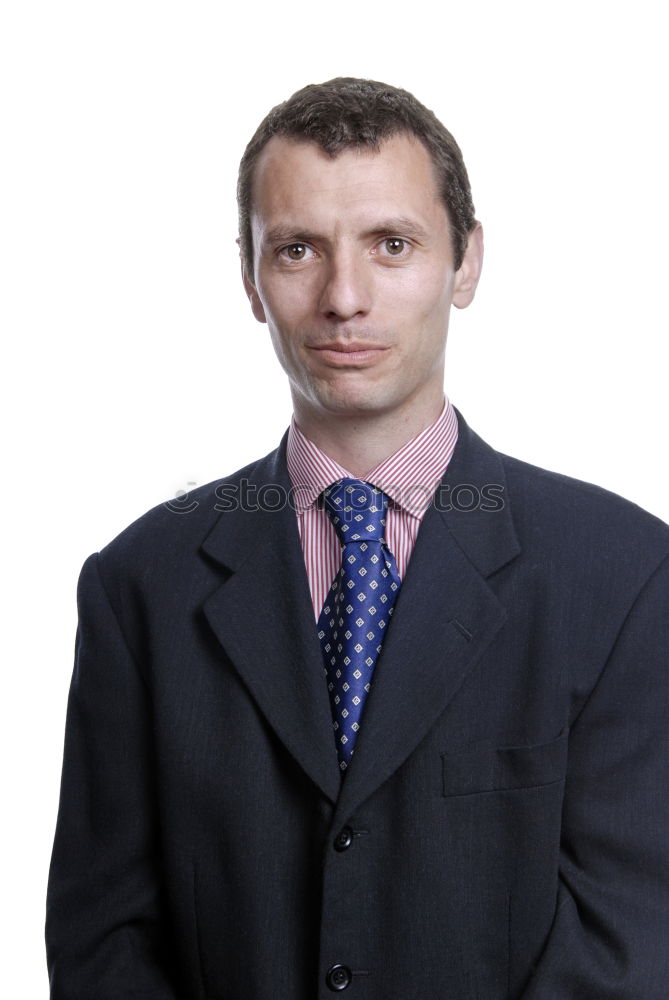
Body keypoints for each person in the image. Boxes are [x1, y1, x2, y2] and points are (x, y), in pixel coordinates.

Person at [46, 77, 669, 999]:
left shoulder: (623, 575)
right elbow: (104, 941)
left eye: (391, 245)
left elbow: (631, 938)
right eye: (297, 249)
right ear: (251, 281)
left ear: (464, 263)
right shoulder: (139, 584)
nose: (344, 296)